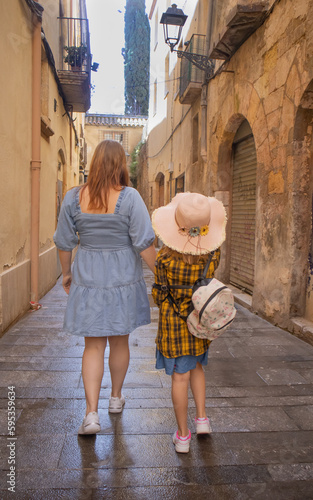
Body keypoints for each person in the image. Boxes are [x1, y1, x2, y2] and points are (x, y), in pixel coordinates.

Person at [54, 140, 156, 435]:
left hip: (88, 278)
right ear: (121, 164)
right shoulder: (131, 197)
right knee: (120, 342)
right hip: (123, 279)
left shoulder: (73, 197)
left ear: (95, 162)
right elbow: (144, 242)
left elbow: (64, 241)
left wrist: (66, 273)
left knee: (93, 346)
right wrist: (163, 274)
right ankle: (115, 398)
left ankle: (90, 414)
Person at [151, 192, 227, 453]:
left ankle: (183, 436)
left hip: (174, 326)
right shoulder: (212, 256)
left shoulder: (163, 259)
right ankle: (202, 419)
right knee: (197, 368)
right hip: (200, 323)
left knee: (180, 378)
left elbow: (159, 295)